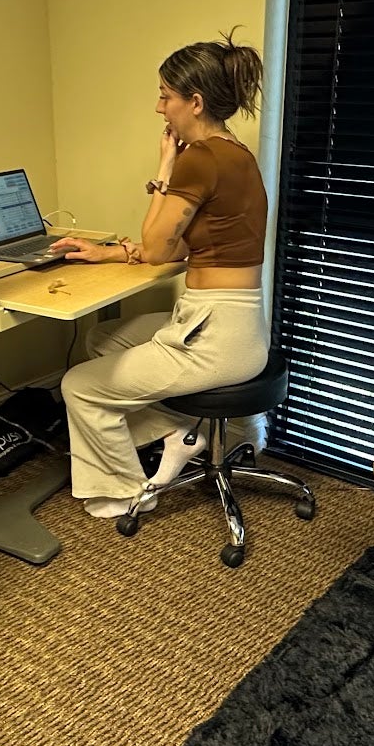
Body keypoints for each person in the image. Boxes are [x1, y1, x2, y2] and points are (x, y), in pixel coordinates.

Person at [53, 33, 270, 517]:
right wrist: (108, 253)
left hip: (212, 337)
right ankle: (177, 434)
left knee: (78, 385)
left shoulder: (200, 158)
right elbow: (183, 250)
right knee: (104, 339)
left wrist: (165, 165)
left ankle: (125, 492)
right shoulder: (235, 155)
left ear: (194, 102)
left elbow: (155, 248)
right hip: (236, 331)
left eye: (165, 96)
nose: (159, 108)